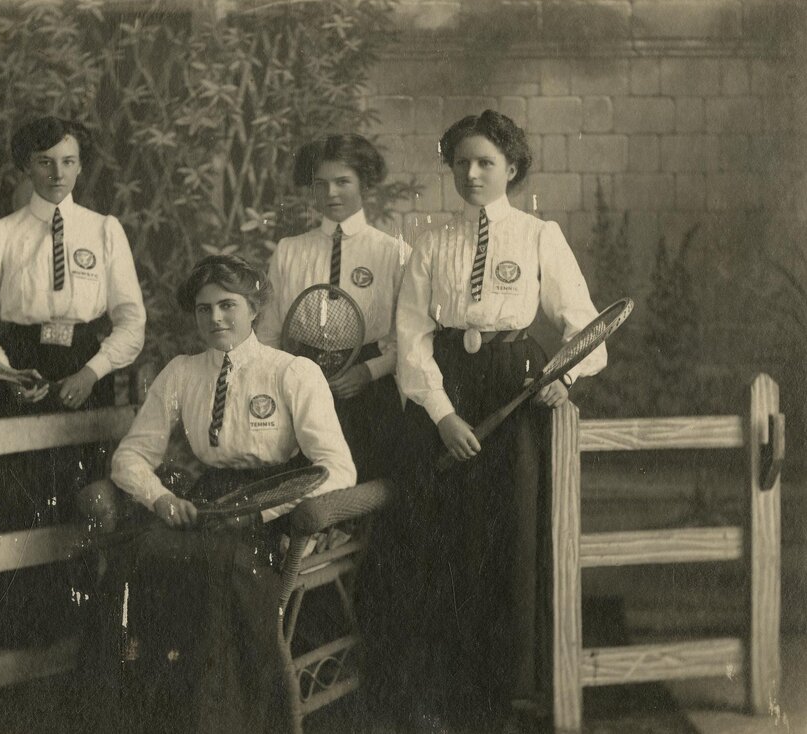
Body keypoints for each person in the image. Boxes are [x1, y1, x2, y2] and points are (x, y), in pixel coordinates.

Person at [388, 110, 607, 732]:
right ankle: (450, 693)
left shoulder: (541, 236)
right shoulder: (431, 242)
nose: (473, 173)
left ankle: (509, 694)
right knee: (447, 543)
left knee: (511, 540)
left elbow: (589, 331)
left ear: (512, 167)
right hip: (449, 397)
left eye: (486, 162)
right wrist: (443, 415)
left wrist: (561, 380)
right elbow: (410, 338)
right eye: (461, 162)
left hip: (516, 396)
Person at [78, 255, 356, 734]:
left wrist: (264, 513)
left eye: (228, 305)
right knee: (140, 554)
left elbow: (338, 469)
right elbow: (129, 458)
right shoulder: (182, 373)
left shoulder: (293, 373)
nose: (215, 319)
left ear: (254, 309)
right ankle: (145, 716)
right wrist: (161, 499)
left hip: (272, 511)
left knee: (219, 569)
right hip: (206, 504)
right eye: (204, 310)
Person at [0, 116, 146, 649]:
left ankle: (88, 648)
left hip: (87, 368)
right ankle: (15, 645)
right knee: (16, 503)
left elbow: (132, 322)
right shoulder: (0, 235)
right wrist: (5, 372)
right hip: (20, 373)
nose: (57, 173)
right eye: (44, 162)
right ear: (26, 166)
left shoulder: (105, 230)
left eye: (68, 161)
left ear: (81, 164)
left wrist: (93, 372)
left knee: (88, 505)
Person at [256, 133, 410, 483]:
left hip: (369, 389)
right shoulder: (289, 250)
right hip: (301, 385)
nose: (332, 194)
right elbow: (268, 333)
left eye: (343, 182)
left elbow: (407, 339)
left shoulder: (392, 253)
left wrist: (367, 372)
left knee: (368, 489)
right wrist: (288, 382)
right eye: (321, 184)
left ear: (364, 184)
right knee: (304, 489)